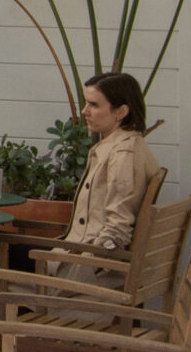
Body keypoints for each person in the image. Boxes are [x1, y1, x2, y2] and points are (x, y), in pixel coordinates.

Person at [47, 71, 162, 277]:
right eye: (86, 103)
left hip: (82, 268)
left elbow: (117, 226)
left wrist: (89, 267)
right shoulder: (119, 145)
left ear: (121, 112)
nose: (85, 111)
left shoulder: (123, 155)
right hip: (76, 254)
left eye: (94, 105)